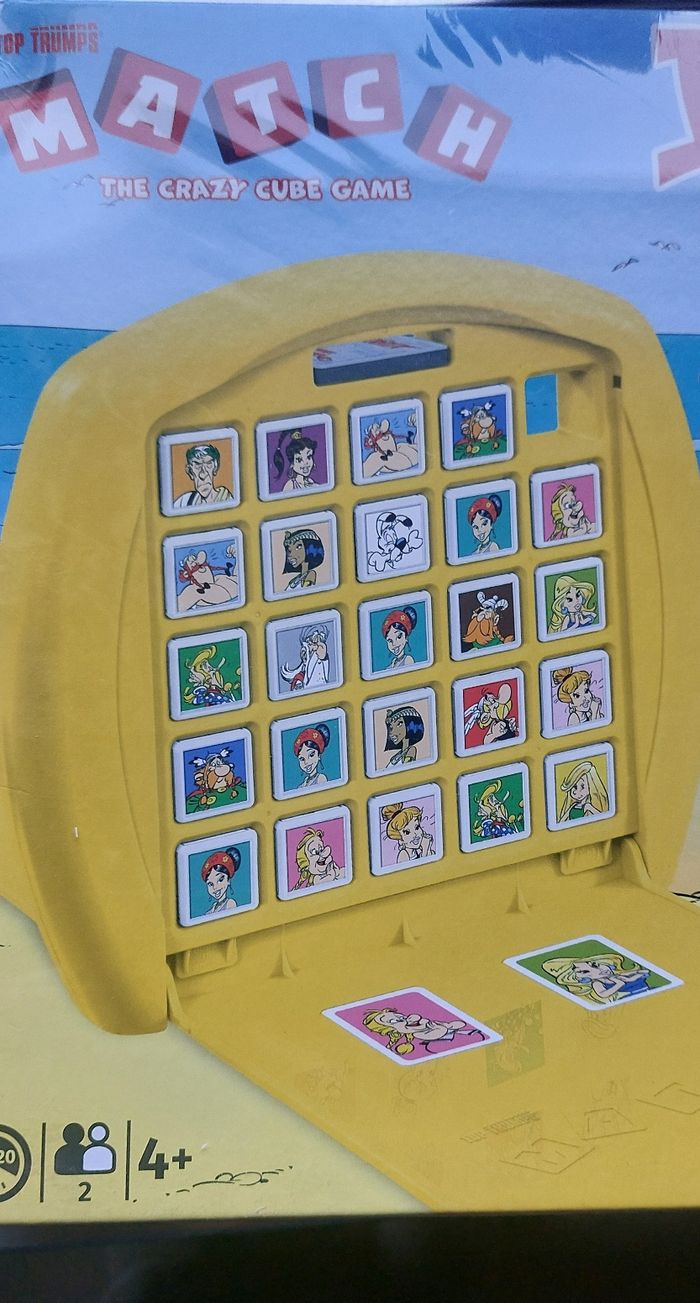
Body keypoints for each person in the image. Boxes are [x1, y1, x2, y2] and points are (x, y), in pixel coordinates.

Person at [361, 1007, 484, 1055]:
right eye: (393, 1021)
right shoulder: (431, 1047)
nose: (402, 1018)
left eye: (400, 1016)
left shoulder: (469, 1034)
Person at [541, 953, 650, 1004]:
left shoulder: (616, 976)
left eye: (595, 965)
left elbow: (642, 973)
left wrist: (635, 976)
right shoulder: (597, 983)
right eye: (585, 971)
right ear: (580, 978)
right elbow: (603, 994)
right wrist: (618, 984)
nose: (599, 970)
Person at [176, 546, 238, 612]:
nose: (197, 563)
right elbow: (179, 604)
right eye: (192, 564)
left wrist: (237, 553)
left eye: (196, 560)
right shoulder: (195, 590)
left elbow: (238, 576)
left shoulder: (219, 578)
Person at [173, 443, 233, 509]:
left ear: (215, 468)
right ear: (190, 472)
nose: (203, 475)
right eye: (197, 465)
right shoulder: (183, 502)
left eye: (208, 464)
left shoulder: (228, 500)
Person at [280, 623, 331, 692]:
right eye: (312, 644)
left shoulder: (321, 660)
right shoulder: (299, 679)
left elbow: (323, 656)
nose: (316, 647)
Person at [183, 645, 238, 709]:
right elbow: (198, 701)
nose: (211, 668)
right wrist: (200, 690)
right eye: (204, 665)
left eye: (208, 664)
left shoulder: (217, 691)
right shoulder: (210, 694)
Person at [200, 846, 241, 914]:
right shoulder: (211, 910)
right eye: (210, 884)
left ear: (228, 880)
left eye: (220, 879)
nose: (215, 887)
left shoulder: (230, 903)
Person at [292, 723, 330, 788]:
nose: (306, 762)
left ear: (318, 756)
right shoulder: (305, 782)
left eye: (311, 755)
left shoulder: (321, 778)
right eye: (302, 759)